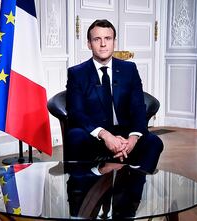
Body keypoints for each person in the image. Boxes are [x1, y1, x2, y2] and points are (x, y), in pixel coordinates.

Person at [65, 19, 163, 174]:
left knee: (154, 142)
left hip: (125, 133)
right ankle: (86, 190)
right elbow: (76, 112)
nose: (103, 44)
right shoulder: (77, 73)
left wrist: (132, 139)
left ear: (114, 42)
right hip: (95, 135)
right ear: (89, 44)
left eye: (107, 39)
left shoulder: (129, 69)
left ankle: (134, 189)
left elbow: (138, 107)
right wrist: (105, 135)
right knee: (75, 136)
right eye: (97, 39)